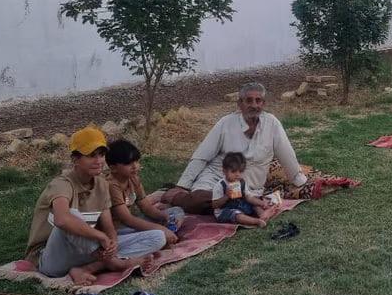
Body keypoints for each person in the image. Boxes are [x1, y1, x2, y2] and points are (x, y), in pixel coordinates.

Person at [25, 126, 165, 285]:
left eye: (101, 155)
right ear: (75, 159)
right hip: (51, 258)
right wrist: (101, 237)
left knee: (157, 237)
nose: (98, 161)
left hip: (87, 251)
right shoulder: (62, 184)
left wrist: (112, 242)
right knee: (72, 216)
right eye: (91, 156)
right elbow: (62, 220)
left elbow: (108, 224)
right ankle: (116, 263)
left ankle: (88, 268)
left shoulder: (101, 184)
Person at [168, 82, 306, 215]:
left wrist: (299, 180)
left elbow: (287, 155)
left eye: (258, 101)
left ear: (263, 104)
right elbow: (202, 156)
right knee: (200, 200)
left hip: (248, 187)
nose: (254, 105)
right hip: (215, 178)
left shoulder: (272, 124)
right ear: (240, 103)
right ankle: (174, 196)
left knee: (239, 203)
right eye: (249, 101)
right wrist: (183, 185)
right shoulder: (226, 123)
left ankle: (231, 206)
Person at [106, 139, 183, 246]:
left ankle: (169, 232)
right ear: (113, 168)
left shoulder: (133, 179)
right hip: (120, 230)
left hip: (133, 223)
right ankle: (163, 235)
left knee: (176, 212)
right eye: (128, 163)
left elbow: (146, 208)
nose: (135, 166)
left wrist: (163, 216)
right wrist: (160, 228)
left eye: (136, 161)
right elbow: (127, 219)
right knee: (157, 237)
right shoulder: (112, 186)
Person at [211, 152, 279, 227]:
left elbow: (249, 197)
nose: (237, 174)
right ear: (224, 171)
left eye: (240, 171)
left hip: (240, 206)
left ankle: (263, 215)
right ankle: (256, 221)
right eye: (233, 172)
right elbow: (214, 205)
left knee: (254, 203)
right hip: (225, 211)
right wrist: (226, 196)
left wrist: (262, 203)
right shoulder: (220, 185)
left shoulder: (241, 182)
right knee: (237, 214)